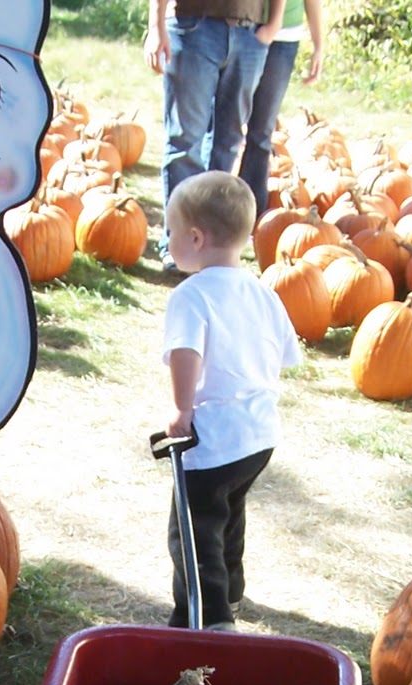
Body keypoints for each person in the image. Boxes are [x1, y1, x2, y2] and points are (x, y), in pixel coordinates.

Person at [159, 171, 302, 630]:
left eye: (171, 231)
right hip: (258, 436)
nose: (168, 240)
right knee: (228, 515)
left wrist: (183, 409)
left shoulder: (192, 295)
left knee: (193, 531)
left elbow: (187, 353)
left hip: (213, 439)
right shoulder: (263, 292)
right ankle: (233, 593)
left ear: (195, 237)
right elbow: (283, 355)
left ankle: (209, 619)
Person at [144, 0, 285, 272]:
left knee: (229, 142)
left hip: (248, 33)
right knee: (185, 141)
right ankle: (179, 245)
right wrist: (156, 25)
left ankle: (212, 248)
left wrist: (273, 24)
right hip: (192, 24)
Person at [211, 0, 324, 217]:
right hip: (238, 26)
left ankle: (248, 215)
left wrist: (318, 46)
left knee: (262, 130)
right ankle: (209, 206)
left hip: (282, 37)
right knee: (222, 126)